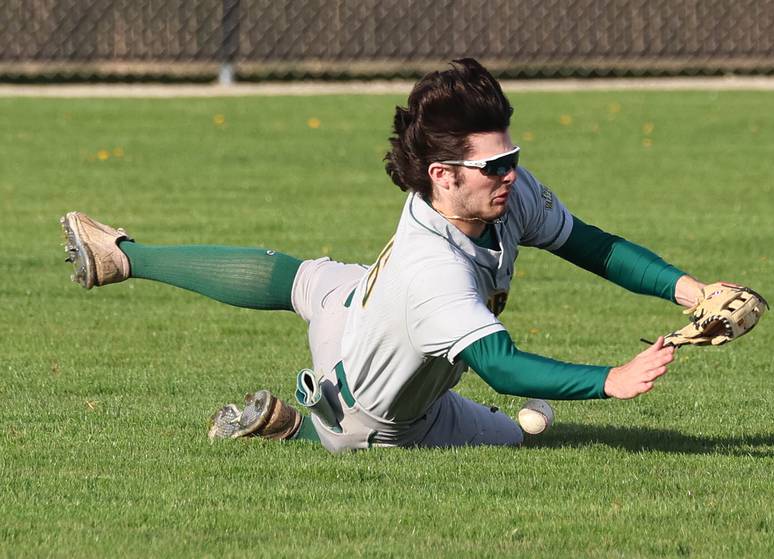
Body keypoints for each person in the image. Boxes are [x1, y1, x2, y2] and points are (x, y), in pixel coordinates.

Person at [61, 58, 709, 452]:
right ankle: (296, 427)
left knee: (304, 279)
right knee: (517, 432)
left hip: (354, 309)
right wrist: (609, 379)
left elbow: (587, 243)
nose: (511, 172)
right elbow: (502, 368)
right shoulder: (438, 270)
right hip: (372, 416)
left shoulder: (495, 197)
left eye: (511, 156)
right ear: (443, 174)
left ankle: (122, 257)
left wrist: (688, 290)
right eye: (496, 164)